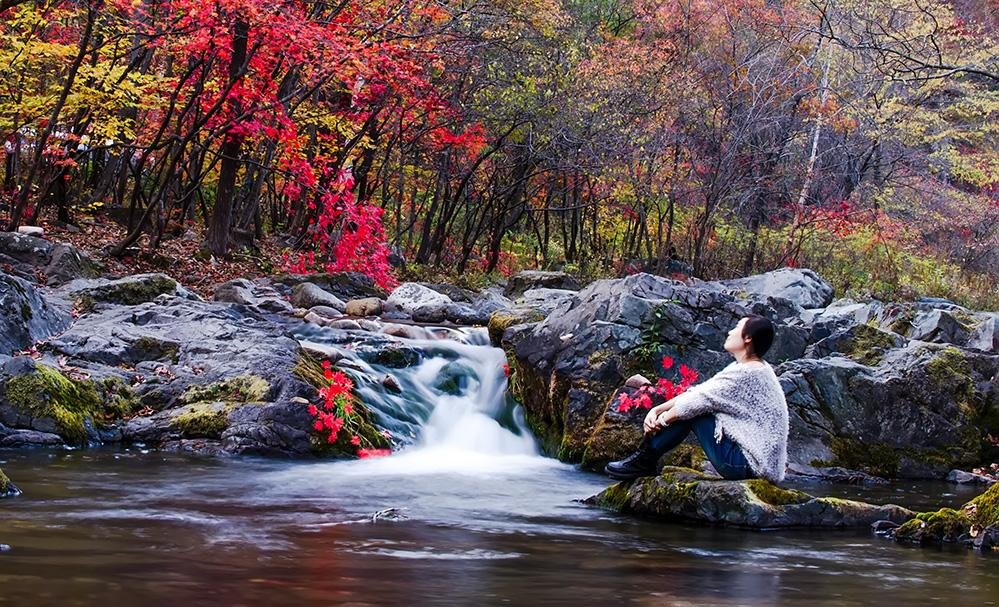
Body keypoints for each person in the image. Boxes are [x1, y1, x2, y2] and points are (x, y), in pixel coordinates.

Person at [604, 314, 789, 483]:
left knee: (695, 412)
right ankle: (644, 458)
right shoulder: (754, 368)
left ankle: (643, 459)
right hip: (756, 466)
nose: (730, 331)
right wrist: (657, 410)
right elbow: (701, 392)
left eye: (737, 327)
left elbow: (697, 402)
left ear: (748, 338)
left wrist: (662, 421)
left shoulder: (749, 373)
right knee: (694, 405)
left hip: (748, 467)